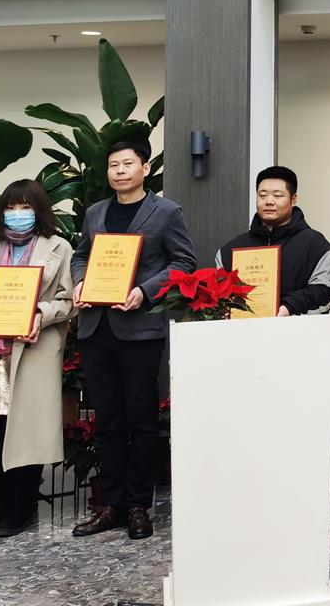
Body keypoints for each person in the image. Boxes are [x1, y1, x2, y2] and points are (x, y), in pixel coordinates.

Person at [69, 140, 197, 540]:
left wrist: (144, 291)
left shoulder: (166, 212)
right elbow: (81, 255)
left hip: (140, 329)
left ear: (145, 168)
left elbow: (184, 262)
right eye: (114, 165)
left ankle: (140, 505)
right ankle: (112, 505)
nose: (120, 170)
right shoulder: (95, 212)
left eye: (128, 163)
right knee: (106, 421)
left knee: (141, 421)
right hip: (97, 328)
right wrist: (79, 281)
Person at [0, 179, 76, 538]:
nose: (18, 214)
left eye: (25, 207)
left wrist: (40, 313)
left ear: (39, 211)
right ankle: (2, 502)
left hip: (35, 350)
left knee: (28, 429)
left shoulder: (59, 248)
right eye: (11, 207)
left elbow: (69, 300)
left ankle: (23, 504)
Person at [217, 166, 330, 315]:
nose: (269, 201)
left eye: (278, 195)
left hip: (297, 326)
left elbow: (325, 290)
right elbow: (218, 296)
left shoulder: (316, 245)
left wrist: (289, 307)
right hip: (243, 328)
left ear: (293, 199)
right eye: (262, 195)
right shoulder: (230, 250)